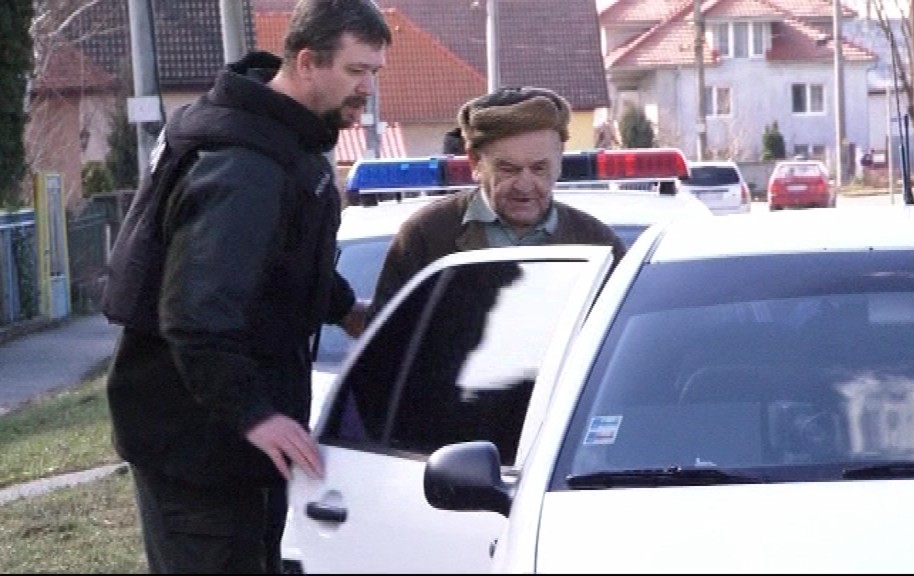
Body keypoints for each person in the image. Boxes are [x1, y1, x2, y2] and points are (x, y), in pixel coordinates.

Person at [99, 0, 391, 572]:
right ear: (307, 62)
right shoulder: (244, 164)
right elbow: (196, 314)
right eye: (356, 71)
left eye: (374, 72)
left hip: (224, 443)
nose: (367, 89)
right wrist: (255, 414)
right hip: (198, 447)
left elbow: (275, 261)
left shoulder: (276, 136)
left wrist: (342, 307)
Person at [369, 85, 627, 318]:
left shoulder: (597, 242)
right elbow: (387, 340)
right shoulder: (427, 234)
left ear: (559, 159)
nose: (524, 185)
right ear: (475, 163)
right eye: (508, 169)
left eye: (539, 168)